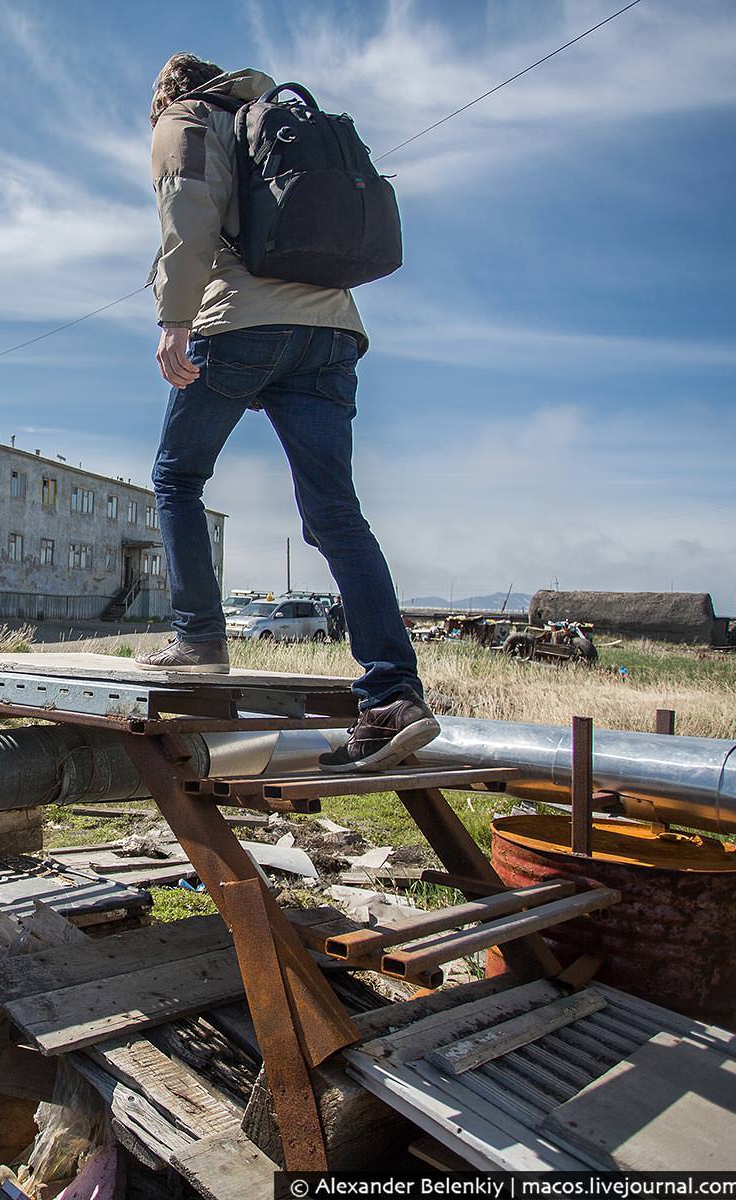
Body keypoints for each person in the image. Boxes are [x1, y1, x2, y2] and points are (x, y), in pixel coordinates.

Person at [134, 52, 438, 772]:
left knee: (178, 479)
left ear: (166, 94)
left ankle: (200, 637)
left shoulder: (188, 120)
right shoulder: (273, 119)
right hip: (332, 332)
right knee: (335, 515)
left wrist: (175, 320)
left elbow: (189, 216)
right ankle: (395, 693)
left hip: (240, 325)